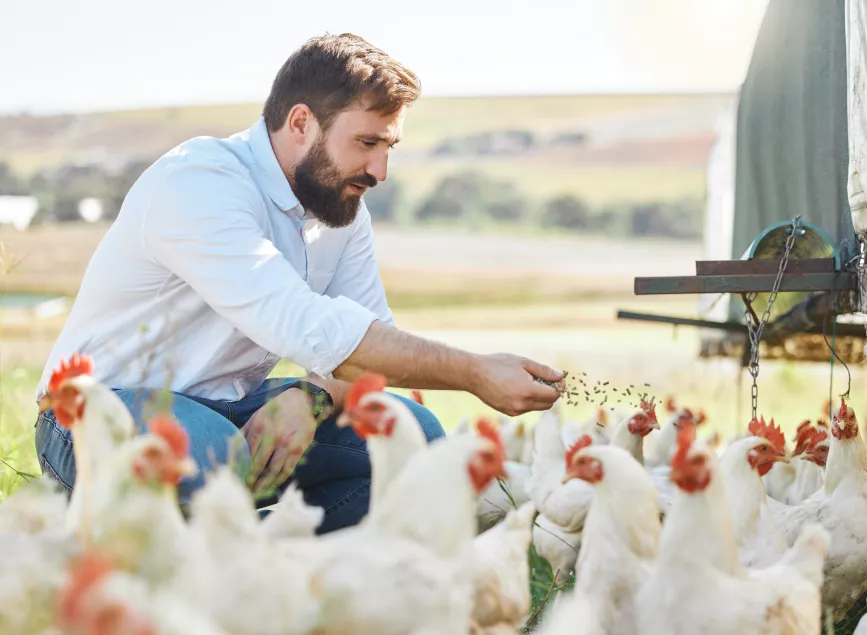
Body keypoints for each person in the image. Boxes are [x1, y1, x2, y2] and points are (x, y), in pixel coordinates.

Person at [33, 33, 564, 533]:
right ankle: (142, 567)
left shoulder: (343, 214)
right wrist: (474, 371)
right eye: (366, 142)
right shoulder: (199, 184)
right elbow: (308, 326)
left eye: (390, 147)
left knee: (413, 440)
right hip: (90, 412)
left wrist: (312, 396)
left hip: (227, 406)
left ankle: (280, 582)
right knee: (214, 455)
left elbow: (368, 346)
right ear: (301, 123)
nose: (380, 170)